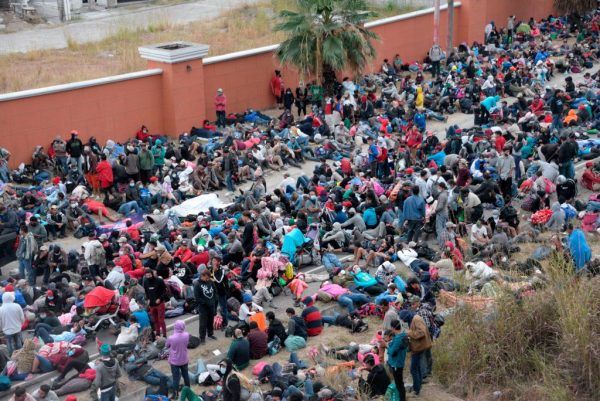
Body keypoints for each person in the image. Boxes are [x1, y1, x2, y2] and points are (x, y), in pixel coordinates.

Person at [399, 310, 432, 397]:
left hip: (420, 347)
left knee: (413, 369)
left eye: (403, 319)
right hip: (418, 347)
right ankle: (418, 385)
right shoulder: (413, 319)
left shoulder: (416, 319)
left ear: (406, 316)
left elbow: (421, 333)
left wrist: (409, 333)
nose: (404, 321)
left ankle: (416, 390)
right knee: (416, 367)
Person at [385, 320, 408, 401]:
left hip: (396, 364)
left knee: (399, 384)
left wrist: (387, 346)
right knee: (400, 383)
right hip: (399, 362)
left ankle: (402, 399)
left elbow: (392, 352)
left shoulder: (398, 338)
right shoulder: (403, 335)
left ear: (393, 328)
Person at [166, 320, 190, 399]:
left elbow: (167, 345)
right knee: (186, 375)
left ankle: (175, 395)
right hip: (184, 360)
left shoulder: (171, 338)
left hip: (175, 361)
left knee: (175, 378)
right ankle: (188, 391)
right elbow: (187, 344)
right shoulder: (186, 335)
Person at [194, 268, 218, 343]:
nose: (207, 279)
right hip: (203, 307)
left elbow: (215, 291)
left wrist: (214, 300)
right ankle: (202, 337)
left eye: (208, 278)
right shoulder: (197, 284)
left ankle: (210, 334)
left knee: (210, 321)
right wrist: (205, 303)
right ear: (202, 276)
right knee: (203, 323)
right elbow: (197, 298)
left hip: (211, 306)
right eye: (206, 278)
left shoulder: (210, 281)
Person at [143, 268, 167, 338]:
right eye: (147, 276)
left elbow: (165, 291)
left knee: (161, 320)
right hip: (152, 304)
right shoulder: (145, 281)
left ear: (152, 274)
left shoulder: (159, 280)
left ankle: (165, 334)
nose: (148, 277)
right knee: (155, 320)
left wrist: (160, 298)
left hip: (159, 303)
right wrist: (147, 299)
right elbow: (146, 292)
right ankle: (158, 333)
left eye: (149, 275)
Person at [0, 291, 25, 356]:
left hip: (7, 331)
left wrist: (2, 329)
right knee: (19, 343)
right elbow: (22, 317)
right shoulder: (17, 306)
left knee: (10, 345)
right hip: (17, 328)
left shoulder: (1, 309)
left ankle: (12, 357)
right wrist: (21, 324)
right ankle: (21, 356)